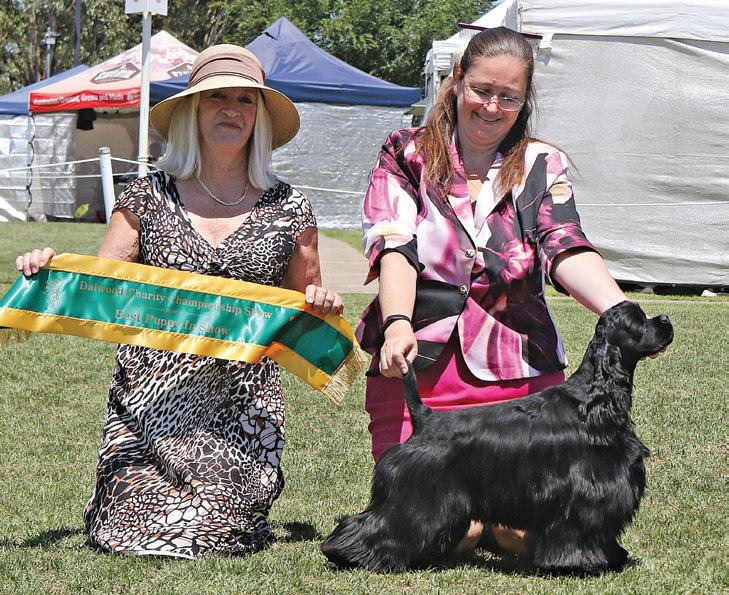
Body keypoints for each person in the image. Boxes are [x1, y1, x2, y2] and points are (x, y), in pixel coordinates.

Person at [16, 44, 343, 558]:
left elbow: (304, 299)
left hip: (240, 409)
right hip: (147, 403)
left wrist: (320, 302)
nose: (232, 109)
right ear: (192, 110)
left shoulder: (291, 207)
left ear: (259, 117)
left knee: (213, 529)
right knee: (120, 533)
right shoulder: (145, 196)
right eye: (217, 97)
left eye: (245, 99)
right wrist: (48, 270)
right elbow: (104, 285)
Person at [356, 27, 629, 556]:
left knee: (519, 535)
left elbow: (564, 244)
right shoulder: (406, 153)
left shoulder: (540, 163)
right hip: (421, 367)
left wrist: (619, 310)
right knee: (447, 533)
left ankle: (497, 518)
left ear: (525, 100)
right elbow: (394, 244)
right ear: (458, 80)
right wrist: (397, 323)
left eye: (509, 97)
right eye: (482, 90)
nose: (492, 107)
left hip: (517, 375)